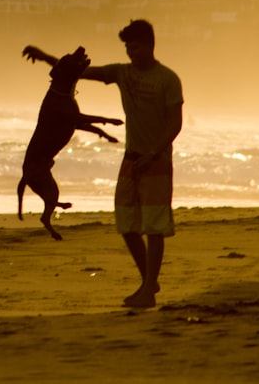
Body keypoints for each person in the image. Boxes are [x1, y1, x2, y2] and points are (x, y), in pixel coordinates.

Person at [23, 19, 183, 308]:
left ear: (149, 45)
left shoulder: (168, 80)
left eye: (135, 47)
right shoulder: (122, 73)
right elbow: (82, 72)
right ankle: (149, 280)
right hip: (131, 161)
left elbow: (175, 124)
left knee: (154, 227)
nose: (131, 52)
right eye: (127, 48)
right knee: (126, 225)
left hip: (156, 162)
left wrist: (154, 153)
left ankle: (147, 290)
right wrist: (45, 56)